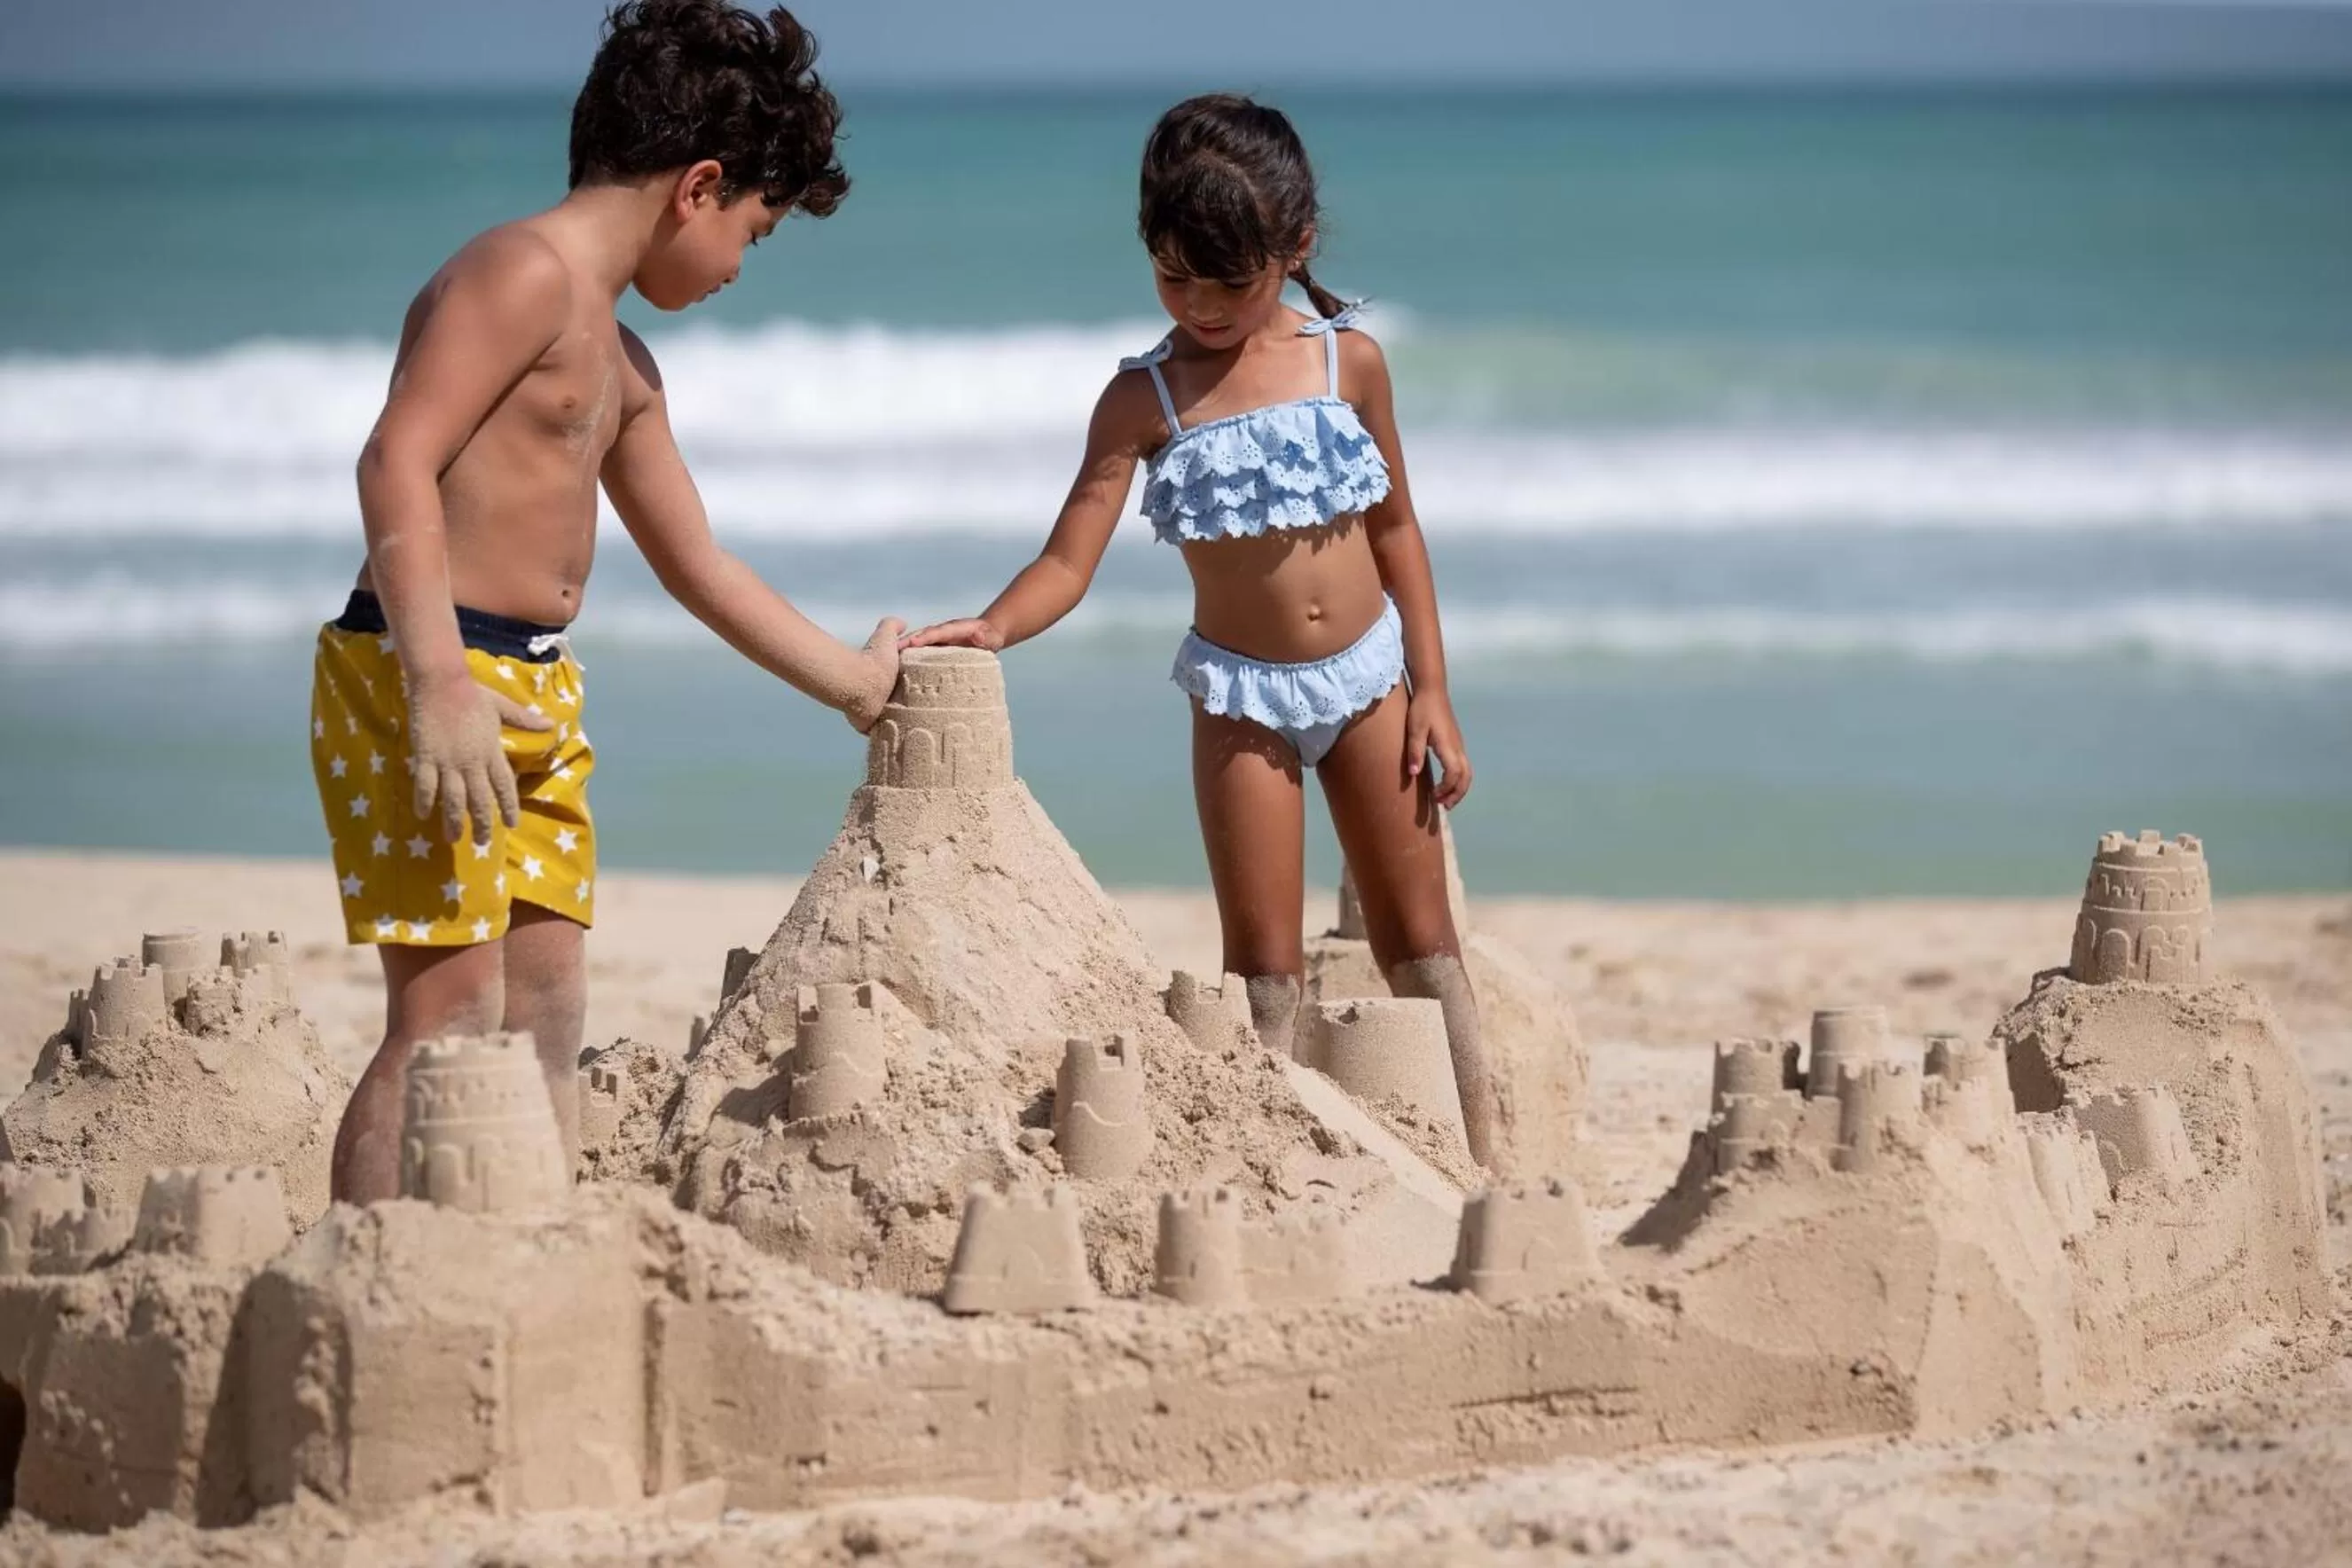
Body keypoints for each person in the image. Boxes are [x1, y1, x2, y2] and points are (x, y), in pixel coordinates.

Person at [310, 0, 901, 1203]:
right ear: (699, 185)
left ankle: (530, 1232)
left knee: (546, 1002)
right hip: (423, 670)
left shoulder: (626, 366)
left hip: (535, 679)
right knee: (446, 1008)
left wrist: (853, 680)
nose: (740, 266)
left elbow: (697, 564)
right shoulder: (519, 274)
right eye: (754, 230)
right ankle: (365, 1274)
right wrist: (437, 684)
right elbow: (394, 462)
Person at [905, 94, 1500, 1166]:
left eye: (1231, 281)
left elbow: (1401, 530)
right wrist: (996, 625)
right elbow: (1066, 560)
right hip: (1240, 700)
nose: (1203, 306)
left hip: (1374, 685)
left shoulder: (1347, 362)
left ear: (1295, 247)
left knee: (1424, 946)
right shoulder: (1143, 399)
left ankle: (1488, 1158)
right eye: (1175, 275)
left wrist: (1435, 690)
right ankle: (1276, 1166)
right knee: (1263, 964)